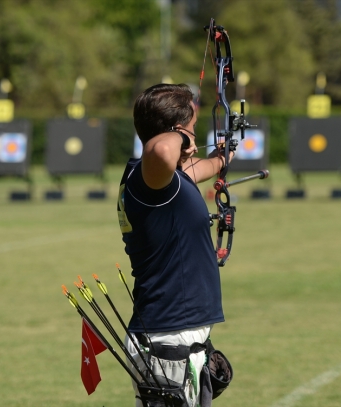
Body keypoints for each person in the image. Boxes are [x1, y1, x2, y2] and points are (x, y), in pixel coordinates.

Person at [117, 83, 234, 407]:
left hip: (173, 334)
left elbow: (194, 170)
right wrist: (183, 136)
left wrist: (220, 158)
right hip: (167, 338)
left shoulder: (161, 181)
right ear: (175, 131)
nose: (194, 140)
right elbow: (162, 151)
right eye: (192, 129)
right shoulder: (148, 176)